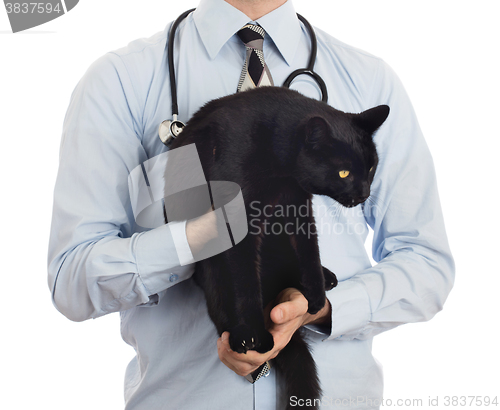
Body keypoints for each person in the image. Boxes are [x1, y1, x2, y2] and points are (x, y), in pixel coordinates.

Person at [47, 0, 455, 408]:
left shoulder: (369, 79)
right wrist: (194, 240)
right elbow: (72, 280)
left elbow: (426, 261)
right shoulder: (122, 80)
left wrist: (326, 309)